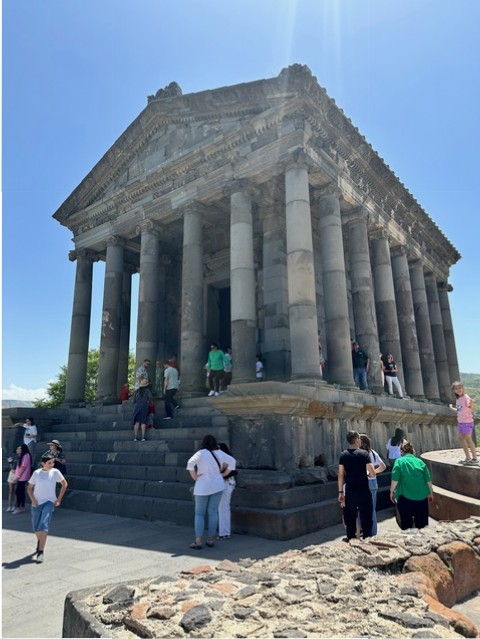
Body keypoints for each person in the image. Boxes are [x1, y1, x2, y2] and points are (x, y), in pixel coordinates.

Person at [186, 434, 232, 549]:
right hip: (218, 485)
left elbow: (190, 463)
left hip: (203, 486)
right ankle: (211, 539)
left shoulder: (201, 453)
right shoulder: (221, 453)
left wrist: (195, 477)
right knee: (213, 512)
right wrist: (224, 473)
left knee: (199, 514)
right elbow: (232, 462)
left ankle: (198, 540)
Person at [27, 452, 68, 563]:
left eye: (53, 462)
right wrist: (33, 501)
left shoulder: (55, 472)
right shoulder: (37, 473)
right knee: (36, 528)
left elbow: (64, 484)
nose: (52, 465)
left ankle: (41, 552)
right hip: (36, 504)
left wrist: (59, 499)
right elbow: (29, 488)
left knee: (43, 525)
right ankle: (40, 542)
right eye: (49, 463)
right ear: (43, 463)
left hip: (49, 502)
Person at [338, 430, 375, 541]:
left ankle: (352, 541)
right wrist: (367, 474)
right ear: (357, 440)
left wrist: (340, 492)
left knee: (350, 519)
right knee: (367, 518)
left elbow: (340, 475)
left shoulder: (343, 455)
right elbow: (372, 472)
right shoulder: (364, 454)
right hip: (363, 490)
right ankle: (368, 540)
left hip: (350, 491)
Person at [390, 440, 433, 530]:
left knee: (406, 526)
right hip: (421, 498)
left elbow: (395, 479)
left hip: (405, 498)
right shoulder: (420, 462)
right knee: (423, 527)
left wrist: (392, 492)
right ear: (413, 450)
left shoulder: (399, 461)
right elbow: (428, 480)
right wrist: (430, 493)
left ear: (401, 452)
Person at [359, 434, 386, 536]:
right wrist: (374, 472)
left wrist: (370, 472)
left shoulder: (362, 454)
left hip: (365, 482)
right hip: (373, 481)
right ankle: (371, 531)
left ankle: (368, 531)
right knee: (372, 508)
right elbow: (383, 466)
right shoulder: (373, 452)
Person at [449, 381, 478, 465]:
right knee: (461, 439)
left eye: (459, 388)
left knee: (468, 440)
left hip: (467, 422)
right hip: (461, 422)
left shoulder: (466, 397)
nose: (458, 390)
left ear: (463, 388)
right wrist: (451, 408)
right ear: (454, 391)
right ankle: (468, 457)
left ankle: (475, 458)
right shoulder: (458, 399)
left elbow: (470, 407)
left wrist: (472, 403)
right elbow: (459, 410)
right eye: (456, 389)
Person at [217, 442, 237, 539]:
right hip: (229, 483)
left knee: (223, 508)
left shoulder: (225, 460)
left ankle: (224, 533)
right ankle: (224, 532)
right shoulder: (229, 458)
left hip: (225, 483)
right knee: (223, 508)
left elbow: (223, 473)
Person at [12, 444, 32, 514]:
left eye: (20, 448)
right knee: (21, 492)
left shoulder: (26, 456)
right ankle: (22, 506)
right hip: (21, 477)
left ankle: (18, 507)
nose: (18, 450)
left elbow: (23, 467)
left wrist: (18, 476)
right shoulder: (23, 455)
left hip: (22, 477)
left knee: (18, 492)